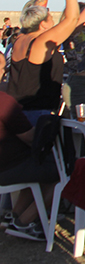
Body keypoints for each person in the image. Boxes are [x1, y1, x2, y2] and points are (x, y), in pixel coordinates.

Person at [7, 0, 82, 121]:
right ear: (42, 25)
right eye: (50, 18)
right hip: (37, 111)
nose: (53, 21)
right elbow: (72, 18)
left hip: (17, 109)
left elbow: (34, 12)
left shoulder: (21, 38)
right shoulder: (40, 43)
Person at [0, 89, 59, 241]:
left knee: (35, 171)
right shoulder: (3, 101)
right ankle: (25, 222)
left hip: (11, 166)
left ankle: (15, 216)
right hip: (8, 166)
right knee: (64, 174)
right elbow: (29, 137)